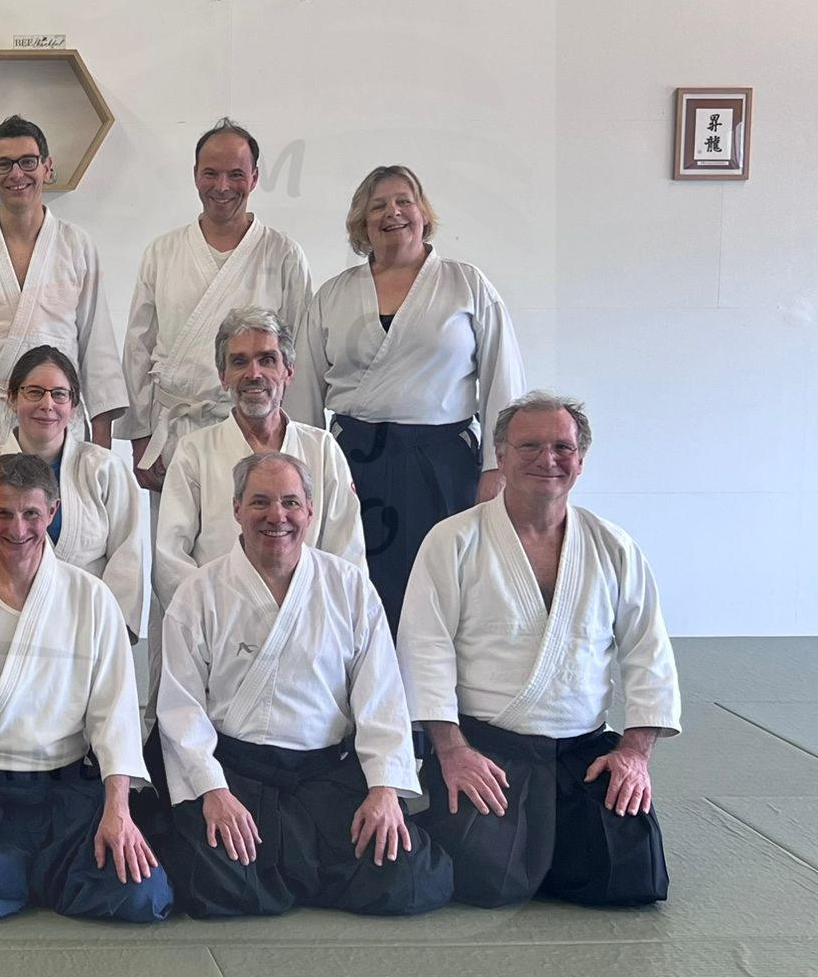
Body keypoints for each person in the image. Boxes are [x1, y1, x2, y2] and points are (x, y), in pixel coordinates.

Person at [398, 393, 680, 908]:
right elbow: (424, 648)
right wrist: (453, 752)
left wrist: (634, 753)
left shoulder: (613, 546)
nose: (547, 459)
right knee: (487, 883)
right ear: (500, 456)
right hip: (487, 747)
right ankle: (526, 840)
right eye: (529, 446)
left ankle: (547, 841)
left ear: (581, 460)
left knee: (631, 878)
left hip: (582, 751)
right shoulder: (453, 539)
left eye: (562, 447)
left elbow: (648, 651)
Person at [157, 452, 450, 918]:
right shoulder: (199, 592)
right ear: (236, 509)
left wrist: (384, 789)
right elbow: (180, 706)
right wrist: (213, 791)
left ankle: (293, 871)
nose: (277, 515)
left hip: (326, 775)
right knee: (211, 883)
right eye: (260, 502)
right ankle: (309, 872)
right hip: (238, 774)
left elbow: (382, 697)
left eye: (290, 502)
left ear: (310, 511)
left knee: (410, 880)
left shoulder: (349, 586)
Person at [0, 454, 171, 925]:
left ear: (53, 512)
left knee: (140, 894)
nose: (17, 528)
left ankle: (19, 878)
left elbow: (115, 718)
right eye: (3, 513)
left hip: (66, 792)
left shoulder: (92, 598)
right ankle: (36, 878)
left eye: (31, 514)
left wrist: (119, 811)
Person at [304, 164, 524, 629]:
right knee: (356, 584)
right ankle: (364, 673)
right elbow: (303, 388)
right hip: (353, 460)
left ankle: (437, 677)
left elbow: (502, 379)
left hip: (443, 460)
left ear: (424, 214)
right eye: (378, 206)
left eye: (404, 201)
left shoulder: (466, 285)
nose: (393, 213)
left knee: (444, 584)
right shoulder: (333, 295)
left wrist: (497, 468)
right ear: (362, 223)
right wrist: (304, 472)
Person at [0, 115, 124, 495]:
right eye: (4, 164)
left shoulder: (76, 245)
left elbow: (97, 348)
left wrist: (101, 448)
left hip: (57, 421)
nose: (16, 174)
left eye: (28, 162)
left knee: (63, 522)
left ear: (47, 167)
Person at [119, 120, 315, 488]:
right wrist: (140, 435)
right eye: (211, 173)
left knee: (257, 521)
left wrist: (292, 442)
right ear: (195, 174)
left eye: (235, 174)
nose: (222, 186)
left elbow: (299, 357)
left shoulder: (284, 254)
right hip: (176, 432)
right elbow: (137, 349)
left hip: (258, 432)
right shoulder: (162, 252)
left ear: (254, 178)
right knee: (178, 524)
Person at [157, 307, 364, 601]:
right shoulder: (194, 452)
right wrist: (209, 615)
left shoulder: (322, 448)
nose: (253, 374)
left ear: (288, 371)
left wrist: (315, 614)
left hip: (309, 614)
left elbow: (347, 554)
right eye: (239, 362)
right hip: (218, 616)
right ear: (223, 376)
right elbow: (170, 557)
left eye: (267, 360)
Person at [0, 347, 148, 644]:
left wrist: (112, 633)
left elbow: (127, 557)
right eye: (34, 392)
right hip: (2, 632)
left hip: (88, 629)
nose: (47, 404)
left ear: (74, 404)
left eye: (59, 394)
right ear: (12, 398)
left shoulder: (104, 470)